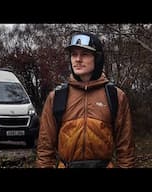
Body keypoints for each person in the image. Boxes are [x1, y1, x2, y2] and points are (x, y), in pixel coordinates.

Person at [36, 31, 135, 168]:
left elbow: (126, 148)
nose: (77, 59)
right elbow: (45, 148)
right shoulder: (57, 96)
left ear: (97, 58)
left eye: (85, 54)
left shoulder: (115, 95)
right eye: (74, 54)